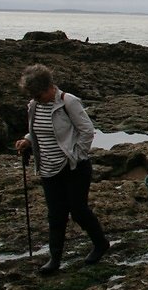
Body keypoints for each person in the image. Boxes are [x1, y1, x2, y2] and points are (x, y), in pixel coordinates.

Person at [15, 64, 109, 276]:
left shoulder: (69, 101)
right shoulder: (34, 106)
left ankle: (101, 243)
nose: (37, 99)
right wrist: (27, 141)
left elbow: (87, 131)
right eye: (34, 96)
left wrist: (76, 155)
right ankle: (54, 259)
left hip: (74, 167)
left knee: (78, 210)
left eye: (39, 95)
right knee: (56, 215)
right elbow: (37, 131)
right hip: (48, 168)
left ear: (49, 87)